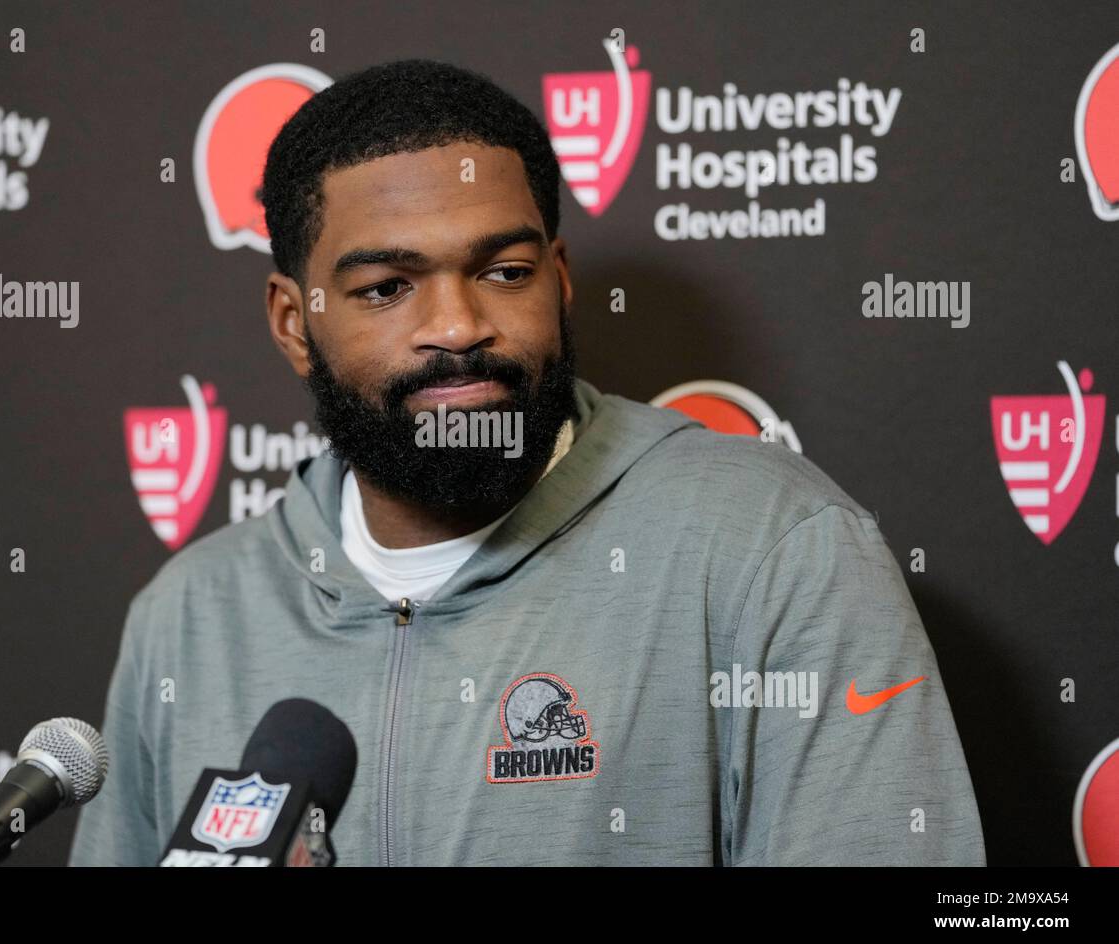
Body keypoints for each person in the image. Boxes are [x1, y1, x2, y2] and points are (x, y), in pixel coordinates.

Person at [68, 58, 985, 866]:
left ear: (561, 280)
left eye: (504, 271)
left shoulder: (776, 552)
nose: (459, 327)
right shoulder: (189, 619)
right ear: (293, 323)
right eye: (387, 288)